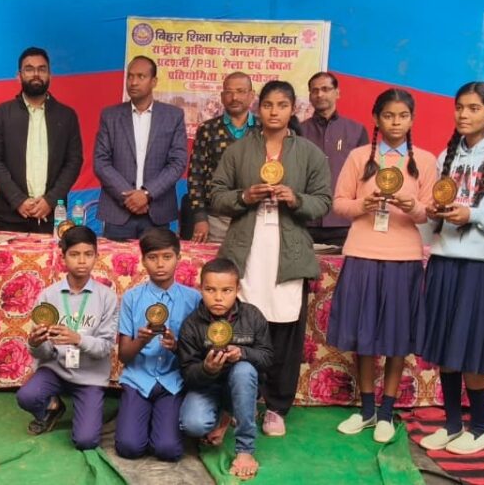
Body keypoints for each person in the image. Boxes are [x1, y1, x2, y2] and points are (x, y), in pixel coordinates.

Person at [210, 80, 332, 437]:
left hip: (288, 252)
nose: (274, 111)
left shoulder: (309, 153)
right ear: (257, 108)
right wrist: (244, 196)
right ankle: (240, 401)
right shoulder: (238, 150)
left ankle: (276, 407)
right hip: (246, 251)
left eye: (282, 105)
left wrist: (295, 199)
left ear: (294, 109)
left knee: (284, 332)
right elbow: (216, 194)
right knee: (242, 327)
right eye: (267, 105)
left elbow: (323, 201)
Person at [416, 82, 484, 454]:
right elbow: (433, 210)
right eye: (460, 107)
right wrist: (433, 213)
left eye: (474, 108)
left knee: (471, 348)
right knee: (444, 345)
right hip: (444, 260)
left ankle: (480, 429)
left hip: (482, 267)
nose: (464, 114)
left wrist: (474, 215)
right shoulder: (445, 154)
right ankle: (452, 424)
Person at [328, 88, 437, 443]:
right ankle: (367, 411)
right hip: (362, 252)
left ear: (412, 119)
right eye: (388, 116)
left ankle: (387, 412)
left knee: (396, 337)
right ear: (376, 119)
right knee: (364, 337)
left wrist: (411, 206)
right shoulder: (360, 156)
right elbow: (339, 203)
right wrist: (363, 205)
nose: (395, 122)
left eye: (403, 116)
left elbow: (429, 211)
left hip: (404, 257)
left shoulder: (425, 160)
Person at [16, 226, 118, 448]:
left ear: (96, 256)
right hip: (56, 369)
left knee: (85, 440)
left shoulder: (107, 297)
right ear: (63, 258)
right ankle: (52, 407)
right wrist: (35, 343)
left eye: (88, 254)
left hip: (90, 376)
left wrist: (77, 339)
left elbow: (105, 347)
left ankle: (86, 410)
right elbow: (43, 353)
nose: (82, 261)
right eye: (74, 254)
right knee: (27, 397)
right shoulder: (49, 295)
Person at [177, 258, 273, 480]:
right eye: (210, 290)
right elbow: (187, 373)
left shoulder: (253, 316)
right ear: (200, 288)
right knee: (192, 425)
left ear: (237, 289)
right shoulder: (191, 324)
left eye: (226, 290)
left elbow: (268, 357)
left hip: (241, 385)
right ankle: (223, 415)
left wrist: (243, 353)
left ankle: (245, 449)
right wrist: (207, 369)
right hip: (207, 386)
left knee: (244, 370)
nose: (218, 297)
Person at [114, 228, 201, 461]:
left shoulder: (193, 299)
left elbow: (198, 353)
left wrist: (176, 346)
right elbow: (124, 356)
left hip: (173, 381)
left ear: (178, 258)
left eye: (167, 257)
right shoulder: (132, 298)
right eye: (152, 257)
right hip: (138, 379)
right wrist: (142, 340)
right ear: (143, 261)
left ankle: (160, 421)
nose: (160, 264)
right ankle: (140, 417)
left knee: (168, 450)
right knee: (129, 447)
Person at [0, 46, 83, 234]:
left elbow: (74, 161)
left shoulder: (66, 116)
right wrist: (18, 199)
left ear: (50, 75)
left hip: (52, 214)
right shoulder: (2, 113)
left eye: (42, 69)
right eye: (29, 69)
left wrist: (50, 201)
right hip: (10, 215)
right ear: (18, 76)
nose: (36, 74)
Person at [92, 55, 188, 239]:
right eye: (130, 76)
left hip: (157, 212)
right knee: (115, 259)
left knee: (158, 258)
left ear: (154, 81)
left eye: (141, 76)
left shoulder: (173, 116)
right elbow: (101, 162)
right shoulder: (110, 116)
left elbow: (177, 162)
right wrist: (130, 198)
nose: (133, 82)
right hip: (118, 212)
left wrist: (147, 194)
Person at [300, 71, 370, 246]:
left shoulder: (356, 130)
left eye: (325, 89)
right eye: (314, 90)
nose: (319, 94)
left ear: (337, 93)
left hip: (343, 221)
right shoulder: (298, 131)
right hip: (306, 220)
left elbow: (365, 176)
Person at [189, 72, 258, 243]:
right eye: (229, 92)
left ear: (252, 95)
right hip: (215, 219)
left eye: (241, 91)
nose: (234, 97)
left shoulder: (263, 129)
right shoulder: (207, 129)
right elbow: (196, 176)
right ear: (221, 96)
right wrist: (200, 218)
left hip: (254, 218)